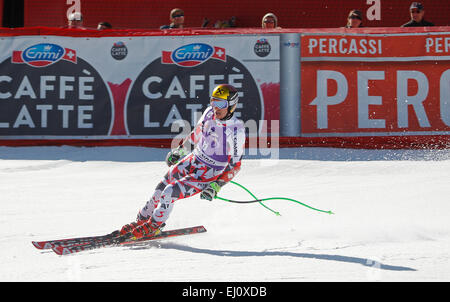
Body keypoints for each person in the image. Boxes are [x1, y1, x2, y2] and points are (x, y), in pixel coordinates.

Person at [118, 84, 246, 240]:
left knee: (169, 192)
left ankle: (155, 226)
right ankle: (142, 221)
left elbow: (235, 165)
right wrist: (180, 151)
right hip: (193, 160)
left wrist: (215, 186)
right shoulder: (208, 113)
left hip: (208, 174)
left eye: (221, 104)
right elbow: (195, 135)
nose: (215, 108)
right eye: (213, 102)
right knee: (160, 188)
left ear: (232, 105)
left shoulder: (236, 130)